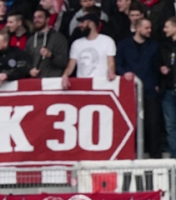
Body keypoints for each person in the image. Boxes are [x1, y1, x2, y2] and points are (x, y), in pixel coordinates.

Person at [117, 18, 161, 157]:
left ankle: (156, 158)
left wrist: (157, 84)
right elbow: (118, 64)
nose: (150, 31)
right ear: (137, 28)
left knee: (153, 124)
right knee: (130, 123)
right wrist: (124, 73)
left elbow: (157, 66)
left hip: (149, 89)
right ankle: (131, 155)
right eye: (146, 28)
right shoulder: (124, 44)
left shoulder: (154, 46)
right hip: (129, 91)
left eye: (150, 28)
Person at [62, 10, 117, 88]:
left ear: (91, 24)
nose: (80, 25)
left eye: (82, 22)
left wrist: (111, 72)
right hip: (81, 85)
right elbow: (71, 65)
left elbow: (111, 63)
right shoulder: (76, 43)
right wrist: (65, 75)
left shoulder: (107, 41)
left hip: (101, 85)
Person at [26, 6, 69, 77]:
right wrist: (29, 70)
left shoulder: (59, 38)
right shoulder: (30, 40)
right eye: (34, 18)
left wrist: (50, 55)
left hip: (53, 80)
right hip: (35, 81)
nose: (36, 20)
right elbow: (26, 61)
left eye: (40, 17)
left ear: (47, 19)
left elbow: (64, 62)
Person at [161, 17, 176, 156]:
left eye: (167, 27)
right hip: (168, 90)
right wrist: (162, 68)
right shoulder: (165, 46)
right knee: (170, 126)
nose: (164, 30)